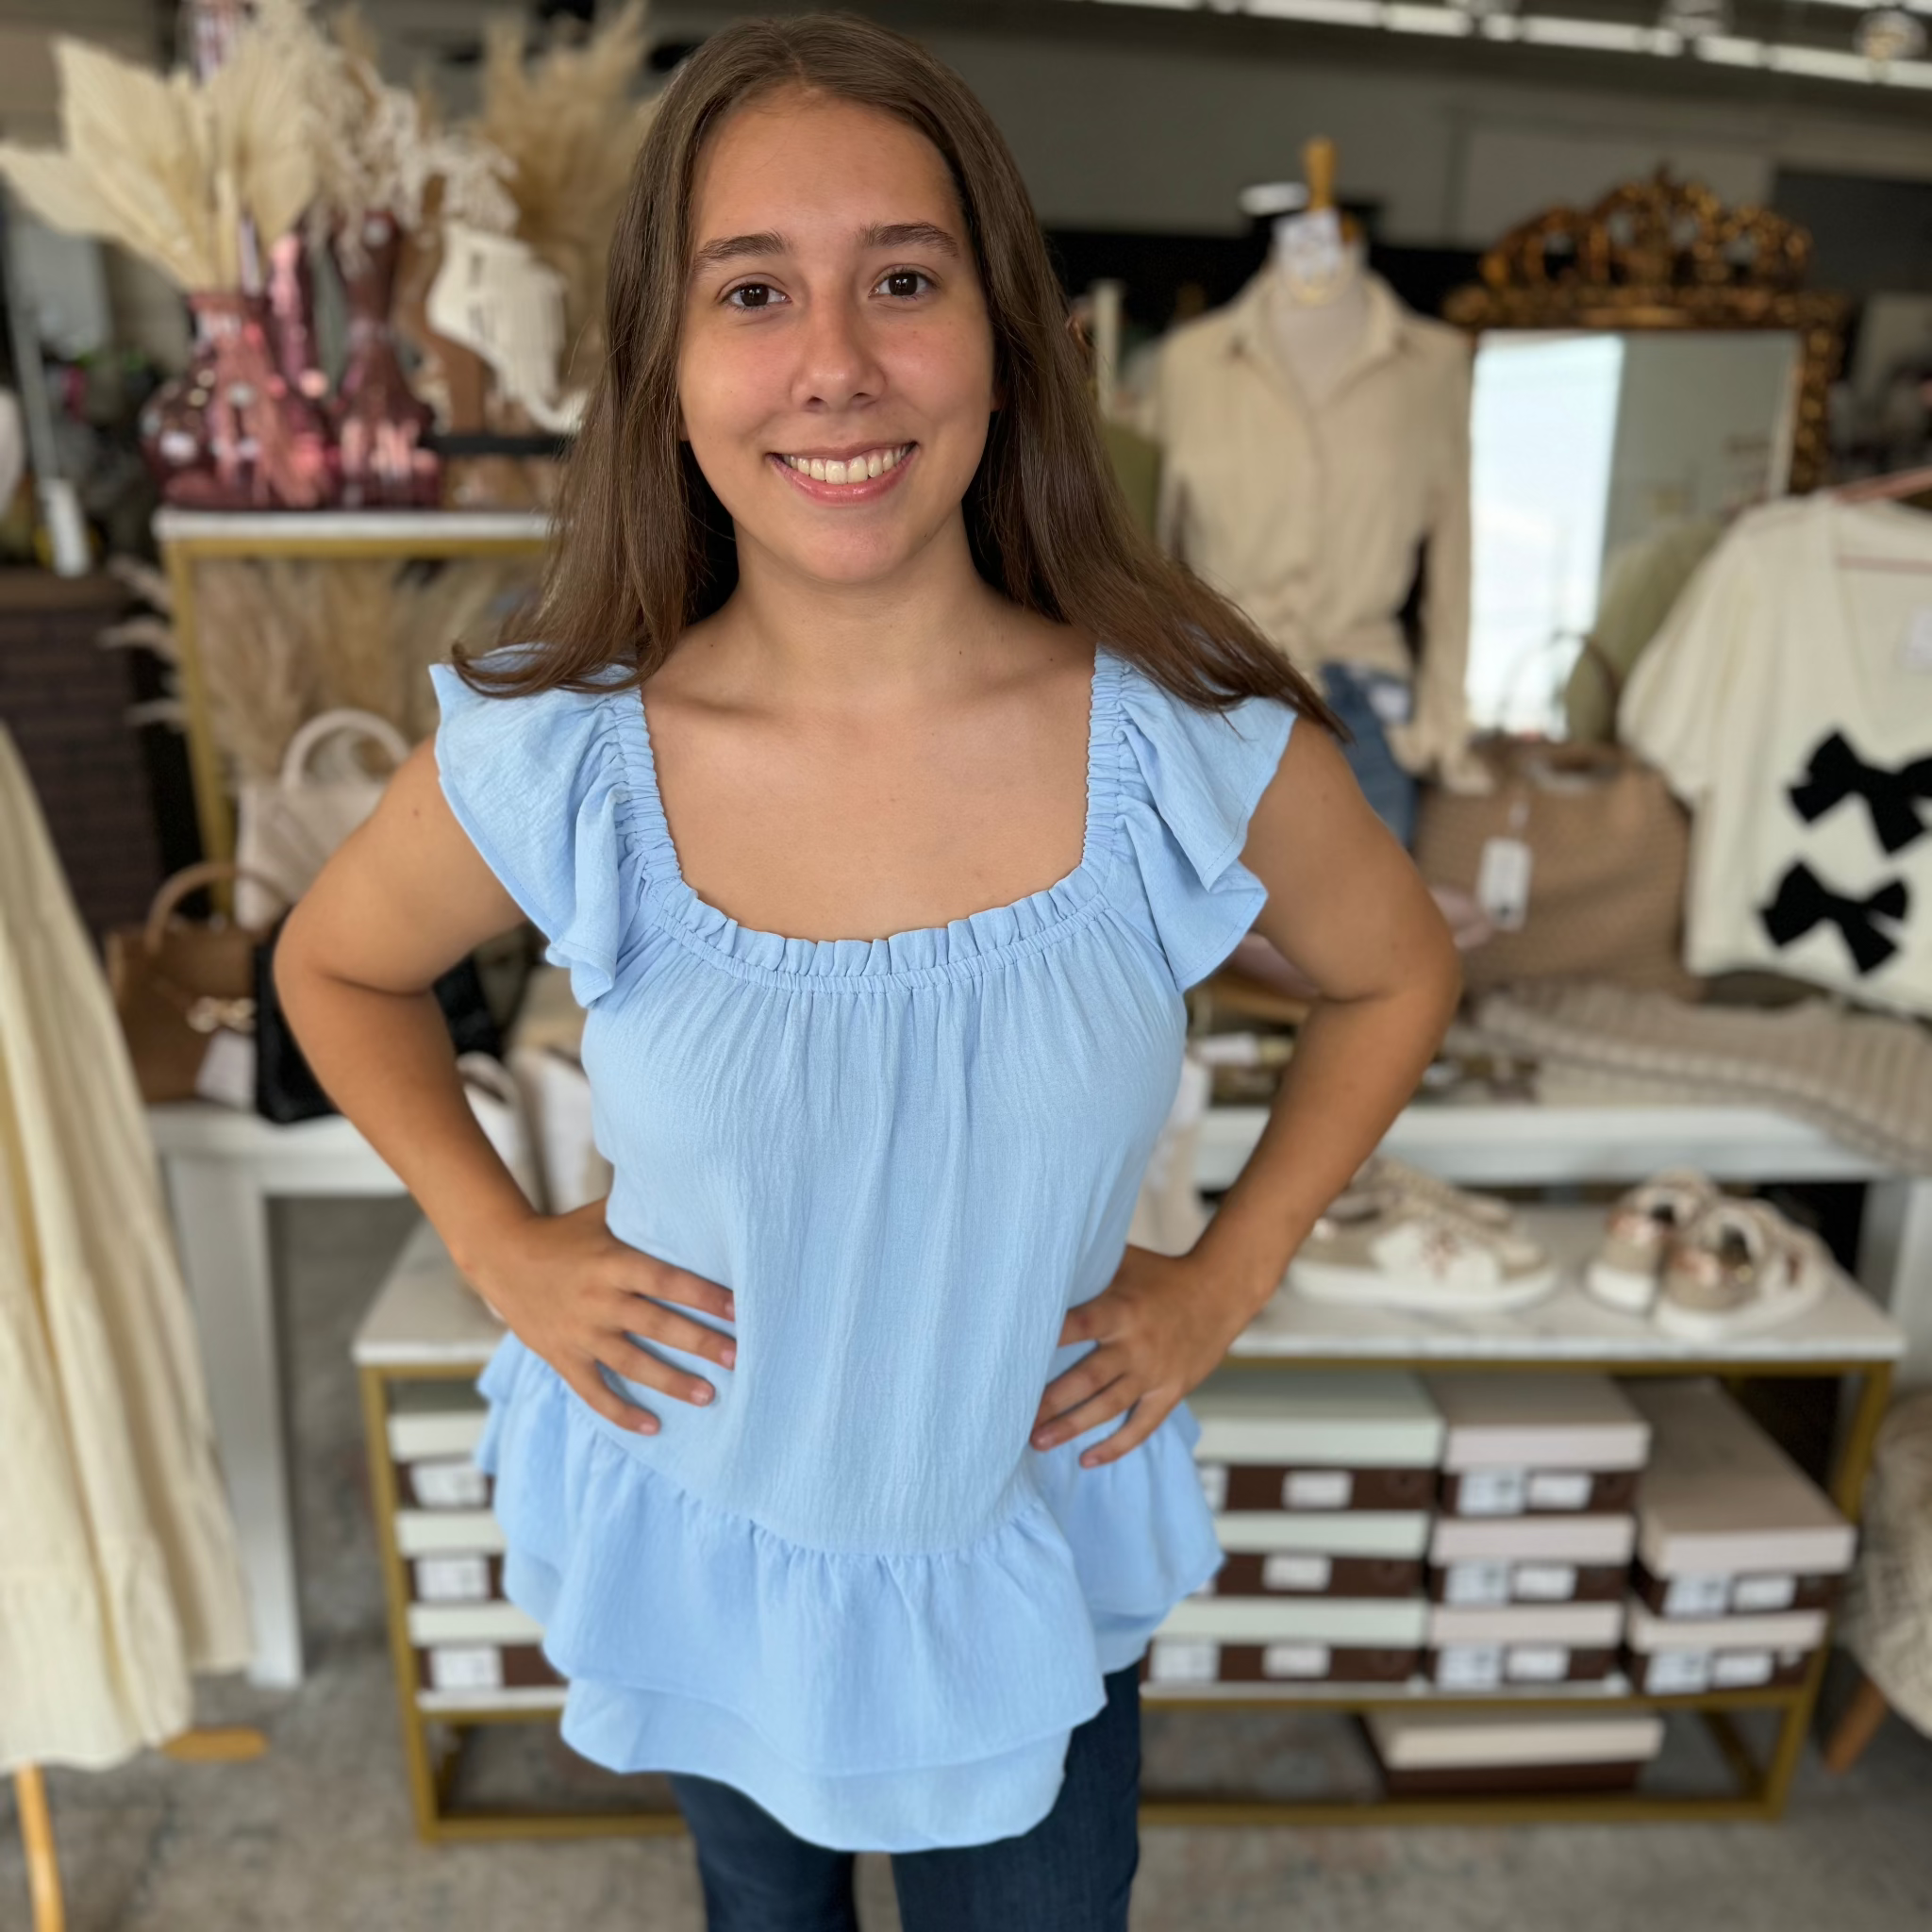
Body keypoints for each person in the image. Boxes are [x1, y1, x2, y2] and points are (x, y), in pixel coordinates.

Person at [274, 13, 1461, 1929]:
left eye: (902, 280)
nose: (834, 364)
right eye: (754, 291)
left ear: (1010, 337)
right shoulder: (567, 752)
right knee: (766, 1913)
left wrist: (1224, 1277)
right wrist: (501, 1244)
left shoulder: (1177, 741)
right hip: (710, 1530)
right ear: (662, 367)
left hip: (1019, 1552)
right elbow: (333, 966)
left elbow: (1395, 973)